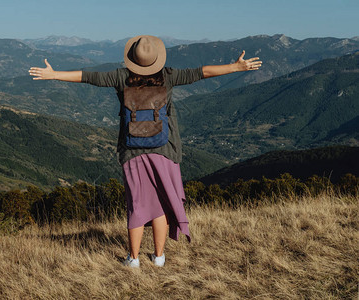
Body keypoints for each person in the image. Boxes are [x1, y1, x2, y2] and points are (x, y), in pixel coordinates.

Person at [29, 35, 262, 268]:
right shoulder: (168, 76)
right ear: (157, 59)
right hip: (165, 148)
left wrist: (54, 74)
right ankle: (159, 257)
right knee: (160, 203)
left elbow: (88, 77)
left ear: (132, 59)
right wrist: (236, 67)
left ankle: (133, 259)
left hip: (133, 151)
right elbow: (202, 73)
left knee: (138, 204)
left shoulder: (121, 77)